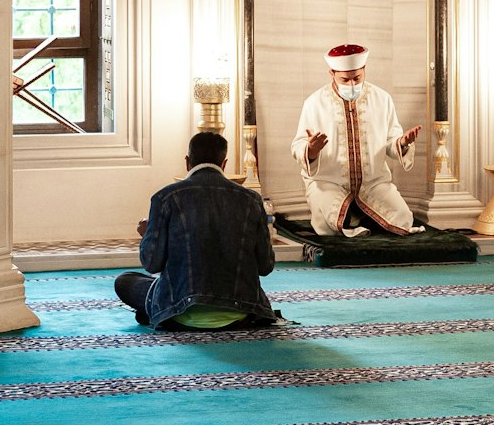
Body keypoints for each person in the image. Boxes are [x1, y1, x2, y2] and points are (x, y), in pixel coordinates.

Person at [114, 131, 285, 331]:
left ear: (187, 162)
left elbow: (151, 263)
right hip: (240, 311)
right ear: (224, 163)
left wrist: (147, 235)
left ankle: (161, 312)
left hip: (180, 310)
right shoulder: (251, 200)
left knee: (125, 281)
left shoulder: (164, 198)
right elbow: (265, 266)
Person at [291, 43, 423, 237]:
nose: (352, 84)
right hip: (328, 183)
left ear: (364, 70)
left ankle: (362, 217)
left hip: (373, 183)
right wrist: (311, 149)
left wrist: (402, 143)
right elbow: (298, 145)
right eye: (345, 80)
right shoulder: (314, 103)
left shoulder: (382, 99)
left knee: (403, 218)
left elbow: (390, 141)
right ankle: (356, 220)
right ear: (332, 73)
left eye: (357, 78)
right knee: (330, 223)